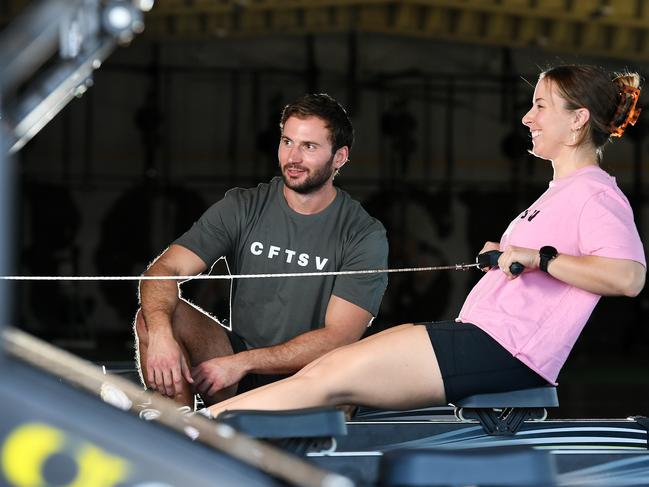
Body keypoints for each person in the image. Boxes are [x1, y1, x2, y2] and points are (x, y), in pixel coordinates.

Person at [205, 64, 646, 417]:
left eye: (541, 106)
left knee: (330, 375)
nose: (527, 117)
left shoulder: (595, 192)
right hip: (481, 338)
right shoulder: (561, 192)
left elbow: (628, 277)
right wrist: (509, 257)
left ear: (578, 118)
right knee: (327, 372)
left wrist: (537, 257)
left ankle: (196, 431)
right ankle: (216, 431)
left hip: (505, 351)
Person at [134, 93, 389, 408]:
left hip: (312, 380)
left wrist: (243, 363)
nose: (292, 157)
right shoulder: (243, 206)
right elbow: (164, 270)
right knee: (153, 318)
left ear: (339, 157)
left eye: (309, 147)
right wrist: (161, 336)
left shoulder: (363, 234)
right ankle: (177, 433)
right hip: (236, 366)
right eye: (287, 142)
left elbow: (339, 337)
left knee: (333, 374)